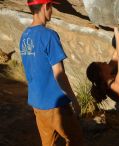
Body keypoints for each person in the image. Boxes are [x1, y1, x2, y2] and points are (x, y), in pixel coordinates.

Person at [19, 0, 84, 145]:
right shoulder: (49, 35)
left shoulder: (24, 36)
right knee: (75, 139)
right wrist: (73, 99)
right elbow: (59, 73)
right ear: (45, 6)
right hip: (55, 104)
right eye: (51, 6)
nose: (52, 11)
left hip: (37, 103)